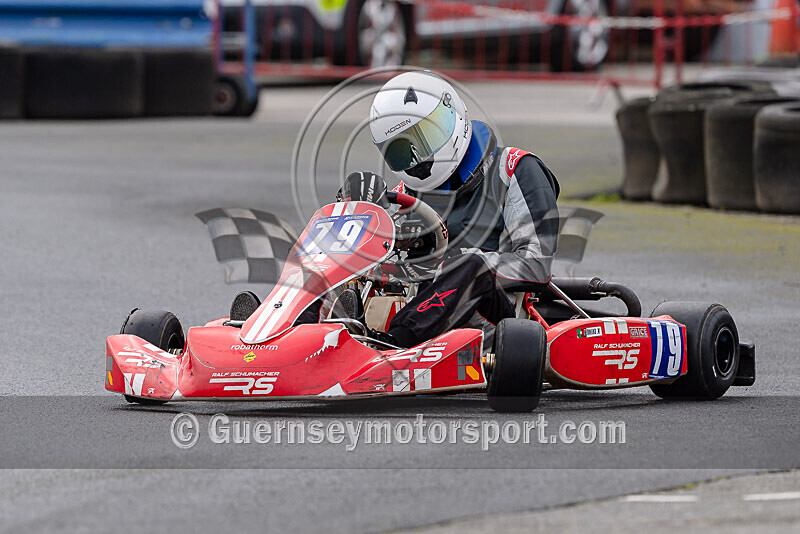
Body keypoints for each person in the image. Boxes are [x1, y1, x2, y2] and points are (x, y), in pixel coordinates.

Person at [304, 70, 560, 349]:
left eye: (426, 136)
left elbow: (537, 265)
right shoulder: (405, 194)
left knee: (470, 263)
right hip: (418, 311)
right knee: (337, 256)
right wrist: (354, 212)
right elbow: (378, 259)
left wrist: (461, 261)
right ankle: (290, 333)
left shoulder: (514, 169)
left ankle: (395, 344)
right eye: (403, 150)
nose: (419, 157)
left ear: (452, 116)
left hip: (496, 317)